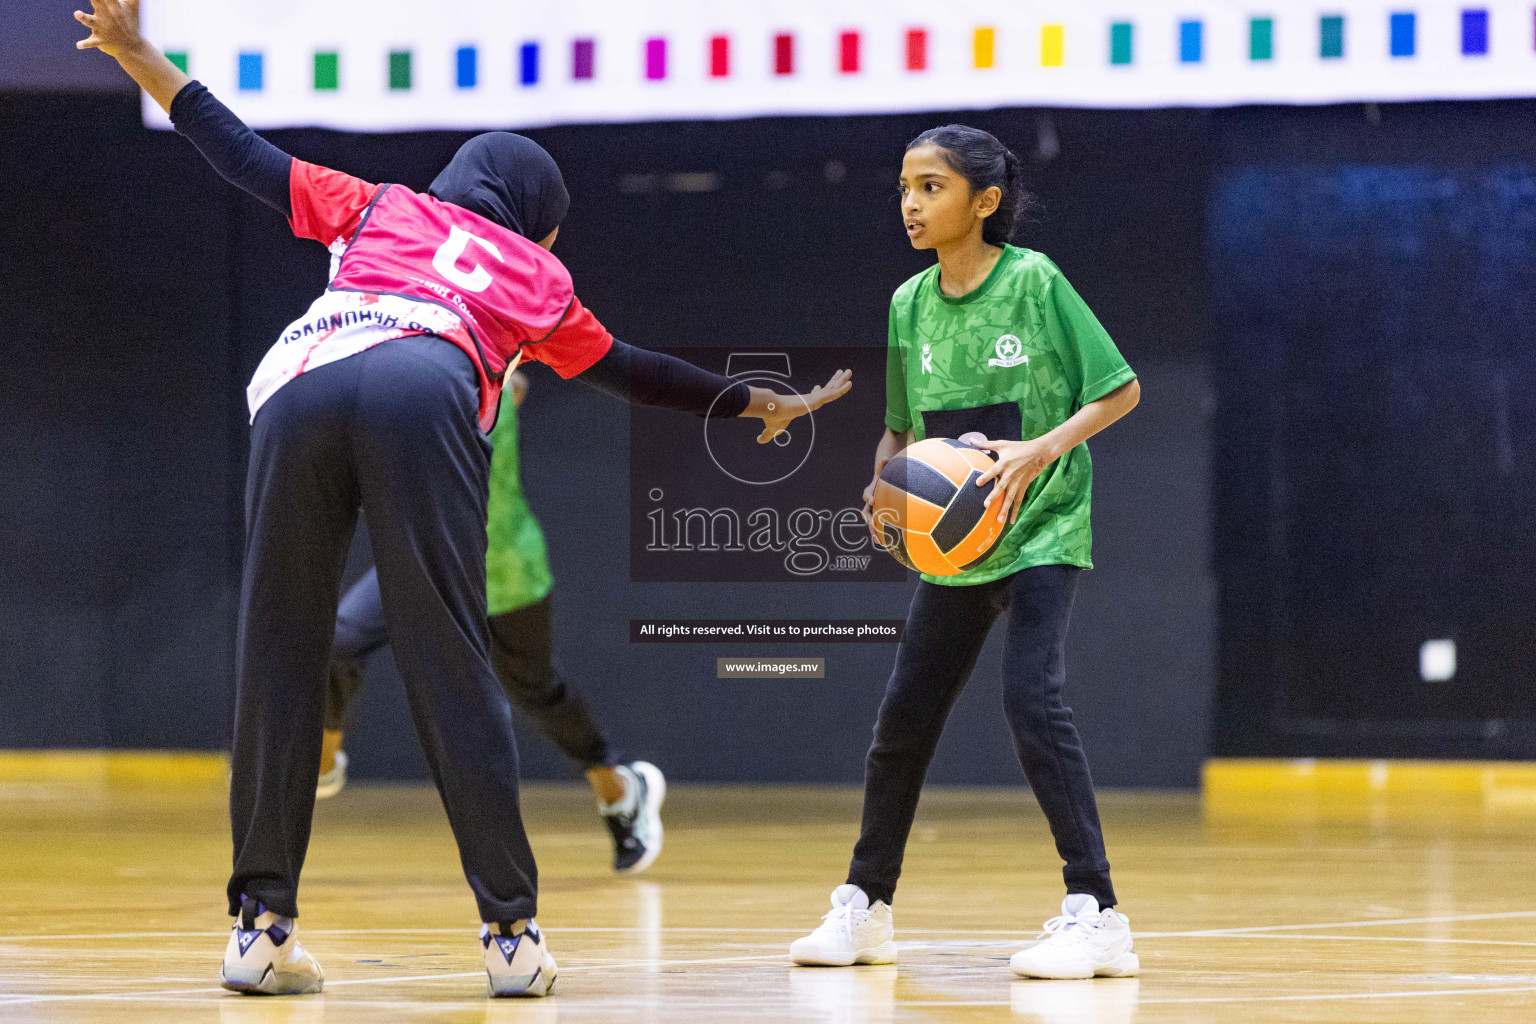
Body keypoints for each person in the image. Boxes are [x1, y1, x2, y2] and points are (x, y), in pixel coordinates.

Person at [75, 0, 849, 999]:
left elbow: (247, 155)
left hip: (302, 373)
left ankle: (259, 931)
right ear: (535, 214)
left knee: (277, 654)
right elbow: (634, 369)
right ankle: (511, 938)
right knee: (449, 653)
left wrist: (142, 56)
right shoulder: (536, 270)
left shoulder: (382, 203)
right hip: (421, 377)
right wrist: (749, 401)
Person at [788, 124, 1141, 980]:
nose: (911, 203)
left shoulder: (1035, 281)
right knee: (902, 723)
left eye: (931, 187)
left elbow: (1121, 389)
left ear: (984, 202)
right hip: (953, 548)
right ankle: (866, 907)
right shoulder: (908, 302)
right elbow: (903, 429)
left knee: (1032, 703)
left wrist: (1039, 449)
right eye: (905, 187)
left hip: (1042, 528)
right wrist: (881, 489)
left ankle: (1097, 914)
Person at [317, 369, 666, 875]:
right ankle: (326, 761)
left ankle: (620, 789)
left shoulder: (490, 388)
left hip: (508, 573)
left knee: (537, 692)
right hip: (425, 561)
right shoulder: (398, 400)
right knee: (340, 641)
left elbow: (515, 380)